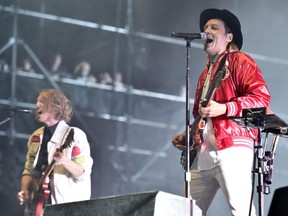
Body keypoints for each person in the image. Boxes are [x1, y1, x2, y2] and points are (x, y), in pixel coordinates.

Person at [172, 8, 270, 216]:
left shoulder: (240, 60)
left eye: (214, 27)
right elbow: (206, 113)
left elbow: (260, 99)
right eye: (206, 27)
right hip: (204, 152)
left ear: (228, 37)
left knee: (241, 211)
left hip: (233, 148)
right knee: (183, 212)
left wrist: (225, 108)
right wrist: (191, 131)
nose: (207, 30)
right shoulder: (205, 73)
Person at [17, 88, 93, 215]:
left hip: (67, 209)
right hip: (37, 209)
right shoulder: (36, 137)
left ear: (55, 107)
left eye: (42, 101)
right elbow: (28, 170)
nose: (37, 105)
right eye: (37, 101)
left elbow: (82, 173)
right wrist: (25, 190)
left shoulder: (75, 135)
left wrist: (65, 161)